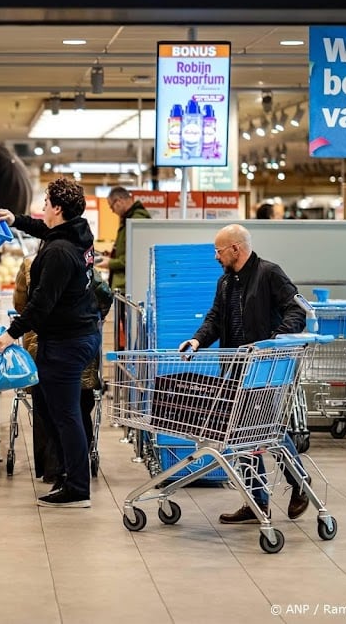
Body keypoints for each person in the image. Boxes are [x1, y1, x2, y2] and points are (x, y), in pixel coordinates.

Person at [176, 223, 310, 524]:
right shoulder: (226, 283)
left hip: (264, 369)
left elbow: (296, 311)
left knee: (266, 430)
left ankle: (299, 482)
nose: (215, 256)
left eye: (218, 250)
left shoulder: (269, 273)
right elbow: (215, 318)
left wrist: (274, 340)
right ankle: (257, 501)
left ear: (235, 248)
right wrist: (197, 340)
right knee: (241, 434)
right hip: (235, 368)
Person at [0, 177, 101, 508]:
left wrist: (11, 334)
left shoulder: (58, 253)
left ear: (56, 208)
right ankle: (70, 475)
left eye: (45, 203)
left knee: (64, 414)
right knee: (63, 412)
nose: (41, 208)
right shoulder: (78, 234)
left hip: (66, 341)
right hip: (83, 334)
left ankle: (77, 487)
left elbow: (42, 303)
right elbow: (49, 233)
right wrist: (17, 221)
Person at [14, 255, 103, 483]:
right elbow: (105, 295)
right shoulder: (82, 260)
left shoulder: (30, 263)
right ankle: (78, 468)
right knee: (79, 408)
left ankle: (53, 467)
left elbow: (20, 302)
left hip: (43, 343)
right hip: (81, 345)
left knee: (46, 407)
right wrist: (92, 316)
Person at [102, 186, 151, 348]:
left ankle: (127, 364)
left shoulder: (137, 221)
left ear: (120, 201)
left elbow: (132, 257)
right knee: (126, 332)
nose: (112, 211)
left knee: (129, 334)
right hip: (123, 287)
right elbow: (126, 251)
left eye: (111, 206)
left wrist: (110, 263)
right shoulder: (129, 220)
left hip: (127, 287)